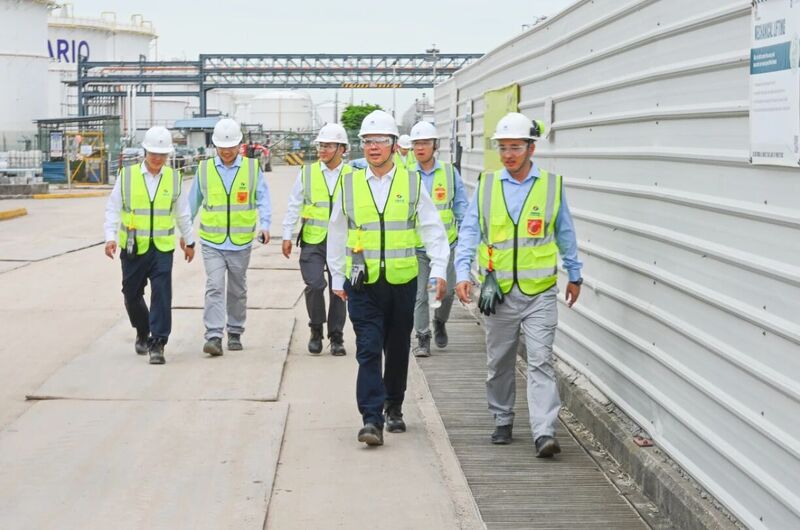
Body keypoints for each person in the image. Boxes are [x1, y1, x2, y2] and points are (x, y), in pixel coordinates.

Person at [454, 112, 583, 458]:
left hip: (540, 293)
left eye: (515, 147)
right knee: (499, 361)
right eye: (503, 147)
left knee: (541, 360)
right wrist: (462, 273)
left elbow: (565, 233)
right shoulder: (486, 186)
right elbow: (470, 232)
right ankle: (502, 418)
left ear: (531, 148)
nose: (508, 154)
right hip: (498, 294)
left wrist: (575, 274)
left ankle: (544, 432)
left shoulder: (551, 186)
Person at [327, 110, 449, 447]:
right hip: (363, 283)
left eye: (380, 140)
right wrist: (337, 277)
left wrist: (439, 269)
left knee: (396, 349)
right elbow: (337, 233)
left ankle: (394, 404)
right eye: (367, 141)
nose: (373, 146)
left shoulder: (411, 183)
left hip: (402, 282)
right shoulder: (348, 184)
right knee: (367, 349)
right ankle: (371, 419)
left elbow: (433, 229)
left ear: (394, 145)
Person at [104, 126, 195, 365]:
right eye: (153, 153)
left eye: (162, 154)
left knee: (162, 294)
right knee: (131, 293)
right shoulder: (127, 176)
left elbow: (183, 213)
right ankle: (143, 330)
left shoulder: (174, 178)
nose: (157, 158)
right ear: (145, 151)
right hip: (133, 247)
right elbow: (113, 208)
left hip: (162, 248)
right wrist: (110, 237)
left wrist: (189, 241)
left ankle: (158, 343)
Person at [189, 118, 271, 356]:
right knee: (214, 286)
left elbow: (263, 199)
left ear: (239, 145)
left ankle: (235, 330)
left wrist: (265, 225)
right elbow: (192, 203)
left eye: (231, 146)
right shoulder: (204, 169)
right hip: (211, 242)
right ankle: (213, 336)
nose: (226, 151)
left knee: (237, 289)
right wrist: (185, 233)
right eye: (222, 147)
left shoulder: (252, 169)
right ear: (215, 145)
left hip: (240, 242)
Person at [281, 123, 350, 356]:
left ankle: (336, 336)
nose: (322, 150)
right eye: (321, 145)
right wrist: (287, 235)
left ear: (342, 149)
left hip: (342, 243)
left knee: (339, 289)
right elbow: (294, 204)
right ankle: (316, 328)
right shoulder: (307, 173)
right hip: (313, 240)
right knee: (315, 285)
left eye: (328, 146)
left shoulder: (353, 176)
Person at [407, 121, 468, 357]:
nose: (420, 148)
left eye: (425, 143)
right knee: (421, 295)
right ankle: (423, 337)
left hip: (447, 245)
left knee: (447, 292)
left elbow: (460, 207)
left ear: (435, 146)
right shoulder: (406, 175)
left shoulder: (450, 173)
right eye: (416, 144)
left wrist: (465, 239)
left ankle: (440, 321)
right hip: (418, 247)